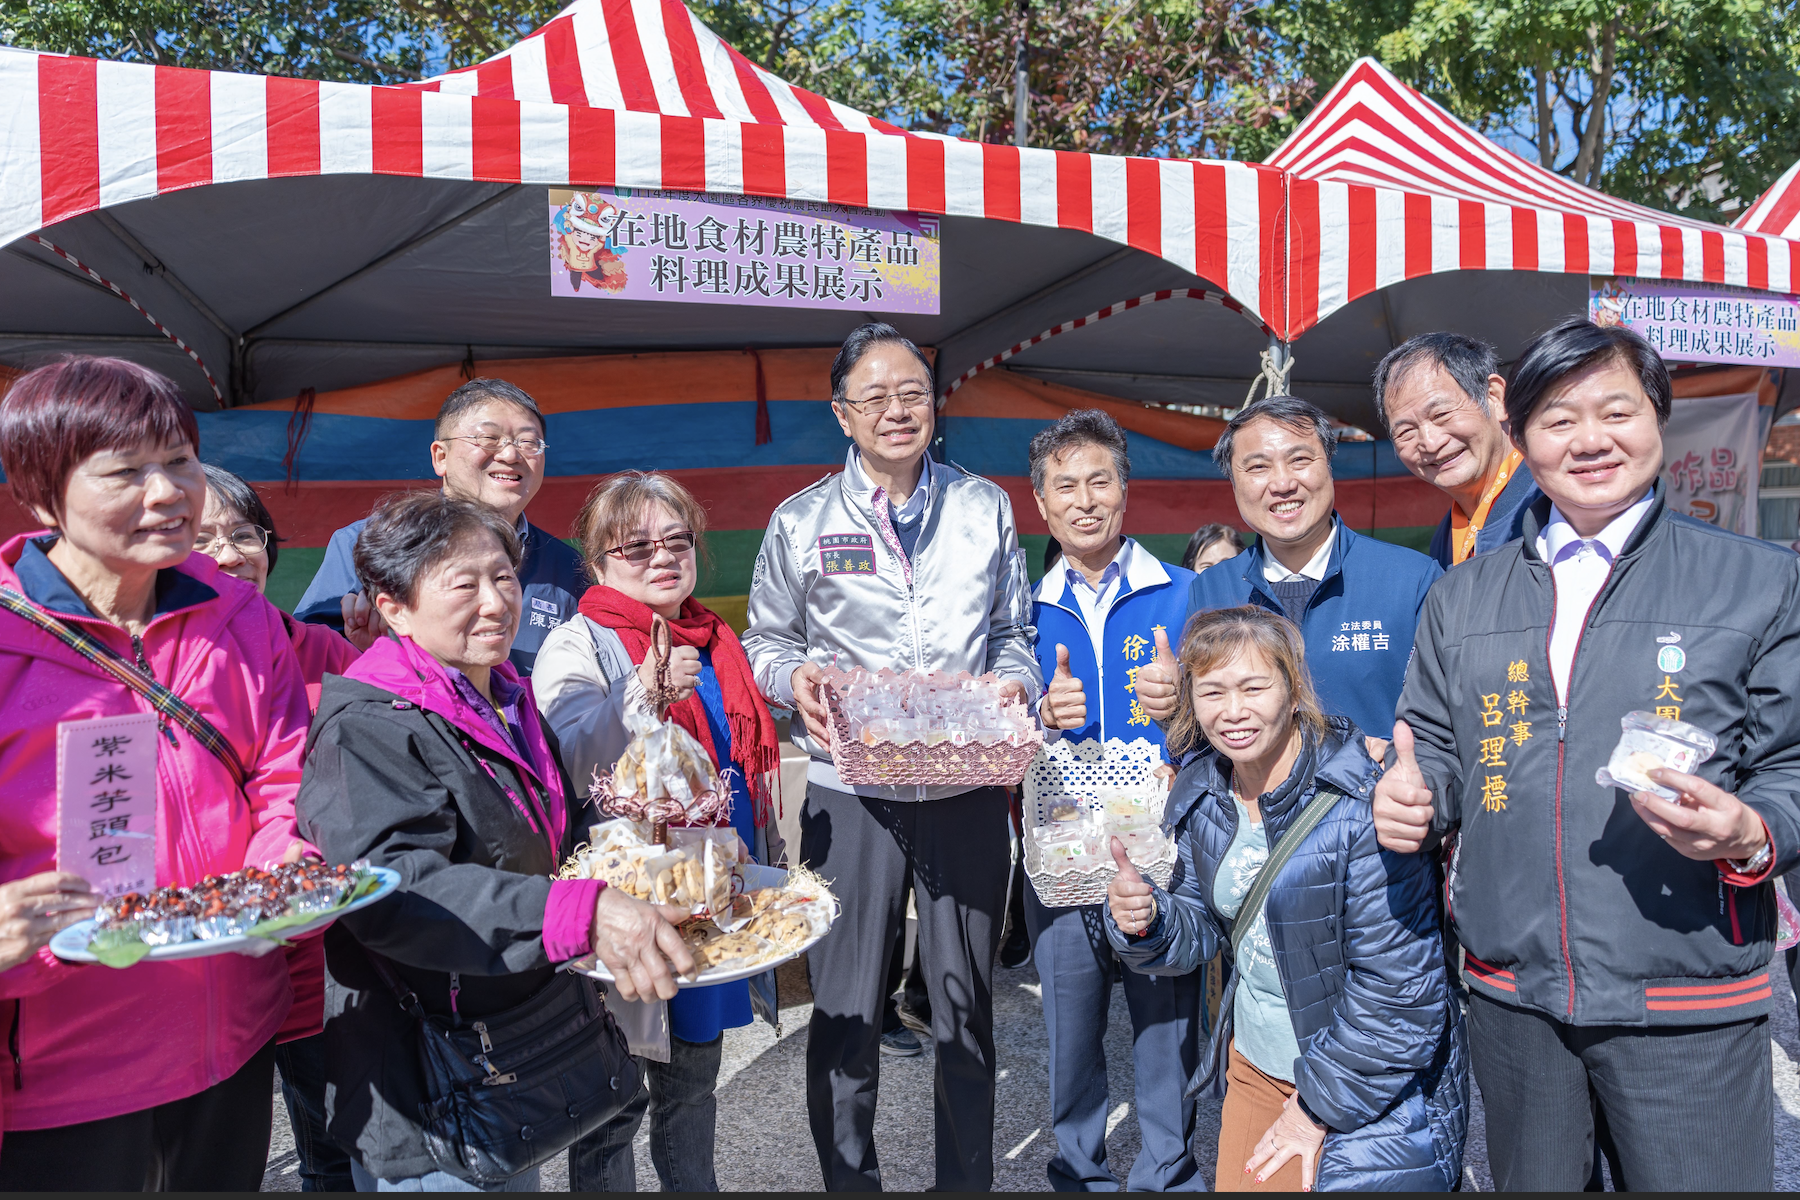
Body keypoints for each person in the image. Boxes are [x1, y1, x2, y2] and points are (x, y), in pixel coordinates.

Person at [1372, 317, 1800, 1191]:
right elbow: (1445, 746)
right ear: (1521, 435)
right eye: (1561, 420)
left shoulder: (1758, 579)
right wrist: (1418, 796)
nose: (1592, 440)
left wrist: (1756, 829)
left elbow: (1791, 761)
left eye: (1618, 411)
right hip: (1514, 994)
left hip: (1685, 993)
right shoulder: (1461, 595)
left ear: (1658, 420)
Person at [295, 491, 693, 1191]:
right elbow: (391, 891)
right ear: (392, 606)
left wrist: (665, 868)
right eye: (463, 583)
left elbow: (546, 835)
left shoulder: (501, 696)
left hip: (511, 1054)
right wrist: (584, 913)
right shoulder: (371, 726)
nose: (495, 601)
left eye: (503, 577)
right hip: (432, 1089)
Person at [743, 322, 1042, 1190]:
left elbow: (1012, 633)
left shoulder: (983, 506)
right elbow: (766, 641)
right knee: (843, 1009)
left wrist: (1014, 684)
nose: (896, 410)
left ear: (934, 401)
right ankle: (849, 1180)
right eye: (873, 397)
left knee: (966, 1011)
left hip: (966, 786)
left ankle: (964, 1181)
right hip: (849, 793)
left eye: (911, 391)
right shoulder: (799, 522)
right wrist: (794, 676)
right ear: (842, 414)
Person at [0, 356, 311, 1190]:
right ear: (41, 493)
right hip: (59, 1074)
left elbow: (284, 771)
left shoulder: (239, 615)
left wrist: (285, 862)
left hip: (232, 1038)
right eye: (125, 471)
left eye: (178, 460)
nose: (168, 491)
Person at [1107, 606, 1466, 1191]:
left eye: (1254, 687)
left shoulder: (1358, 805)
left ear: (1294, 691)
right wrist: (1147, 918)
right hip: (1254, 1065)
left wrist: (1313, 1111)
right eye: (1213, 691)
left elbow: (1401, 993)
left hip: (1357, 1085)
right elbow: (1205, 924)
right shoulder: (1208, 791)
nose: (1233, 711)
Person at [532, 471, 783, 1192]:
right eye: (636, 546)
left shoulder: (716, 642)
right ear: (598, 559)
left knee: (693, 1093)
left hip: (709, 906)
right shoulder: (579, 644)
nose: (662, 557)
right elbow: (571, 752)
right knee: (610, 1111)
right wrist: (642, 690)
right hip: (627, 909)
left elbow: (742, 776)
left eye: (677, 541)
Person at [1027, 410, 1204, 1191]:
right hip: (1059, 853)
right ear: (1041, 504)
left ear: (1126, 492)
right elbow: (986, 718)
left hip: (1161, 850)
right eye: (1065, 486)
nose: (1085, 500)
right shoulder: (1018, 612)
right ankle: (1079, 1169)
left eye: (1101, 480)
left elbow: (1239, 710)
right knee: (1070, 1024)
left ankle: (1168, 1170)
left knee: (1165, 1021)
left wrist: (1183, 705)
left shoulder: (1188, 594)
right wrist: (1035, 711)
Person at [195, 462, 358, 1192]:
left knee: (334, 1151)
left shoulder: (328, 655)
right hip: (205, 961)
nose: (229, 554)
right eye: (202, 540)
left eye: (242, 534)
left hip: (324, 957)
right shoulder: (156, 676)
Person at [1140, 395, 1443, 738]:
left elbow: (1446, 722)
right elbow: (1203, 733)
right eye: (1258, 467)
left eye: (1299, 459)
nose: (1282, 484)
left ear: (1329, 464)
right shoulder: (1212, 587)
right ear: (1233, 483)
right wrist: (1172, 703)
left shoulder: (1412, 579)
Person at [293, 378, 585, 675]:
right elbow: (308, 660)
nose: (510, 455)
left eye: (528, 442)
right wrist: (375, 653)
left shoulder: (569, 567)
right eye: (489, 438)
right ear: (440, 457)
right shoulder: (365, 544)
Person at [1372, 333, 1542, 568]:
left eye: (1441, 414)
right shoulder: (1444, 540)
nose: (1430, 443)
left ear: (1495, 397)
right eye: (1406, 431)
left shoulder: (1551, 504)